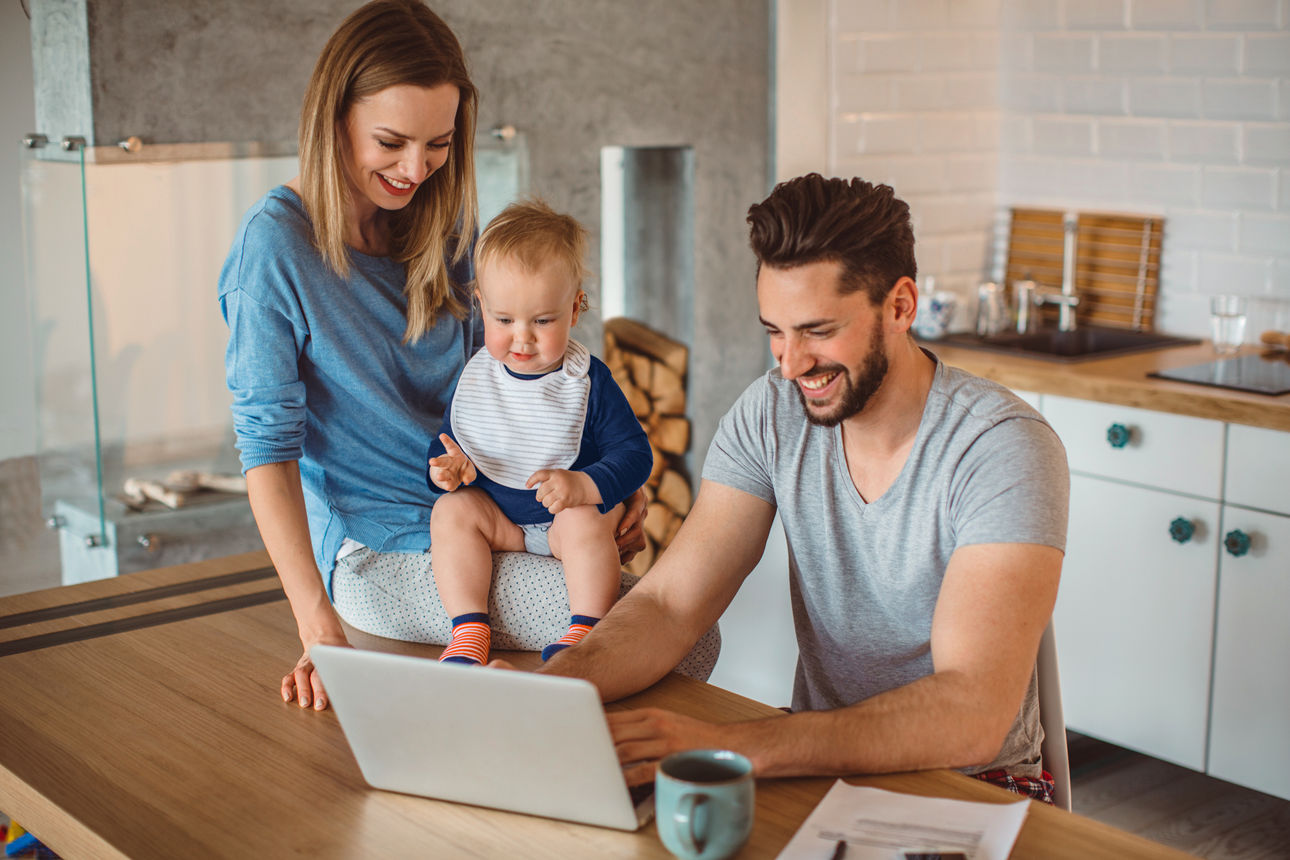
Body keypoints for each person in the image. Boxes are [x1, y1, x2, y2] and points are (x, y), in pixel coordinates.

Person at [219, 0, 717, 711]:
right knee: (683, 639)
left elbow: (515, 376)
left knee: (670, 631)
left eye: (439, 144)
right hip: (385, 547)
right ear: (335, 119)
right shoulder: (274, 250)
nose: (415, 169)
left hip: (495, 512)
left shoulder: (445, 225)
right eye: (390, 142)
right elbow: (265, 449)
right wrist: (316, 623)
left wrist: (602, 486)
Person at [535, 173, 1070, 803]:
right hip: (818, 766)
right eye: (774, 331)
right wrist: (552, 690)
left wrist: (729, 745)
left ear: (900, 307)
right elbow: (670, 606)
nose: (789, 364)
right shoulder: (771, 413)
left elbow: (970, 710)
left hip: (976, 787)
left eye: (817, 331)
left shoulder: (1001, 446)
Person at [427, 200, 652, 665]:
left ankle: (585, 632)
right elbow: (451, 441)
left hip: (563, 526)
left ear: (574, 309)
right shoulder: (480, 377)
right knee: (451, 512)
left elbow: (635, 454)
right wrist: (447, 470)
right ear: (482, 307)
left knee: (582, 519)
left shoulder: (587, 381)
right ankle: (468, 630)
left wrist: (585, 485)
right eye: (504, 320)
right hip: (503, 524)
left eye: (542, 321)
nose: (522, 338)